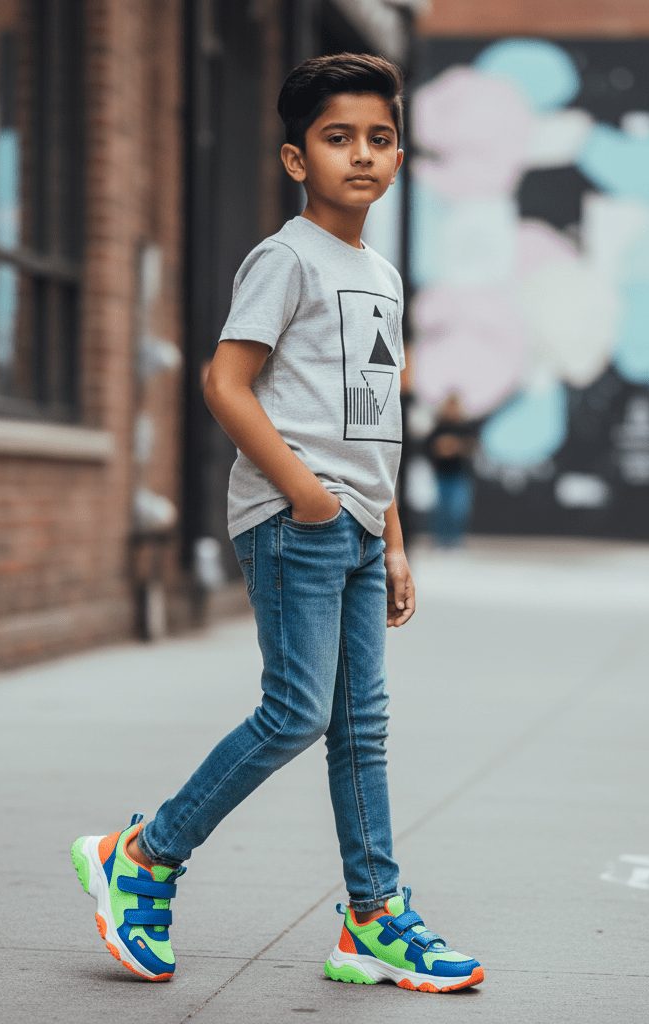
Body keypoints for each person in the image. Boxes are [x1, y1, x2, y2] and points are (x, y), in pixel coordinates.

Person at [70, 54, 484, 992]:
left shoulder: (380, 273)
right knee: (297, 711)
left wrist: (393, 533)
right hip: (294, 518)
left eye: (380, 138)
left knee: (360, 728)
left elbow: (375, 417)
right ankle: (142, 855)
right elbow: (225, 381)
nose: (363, 156)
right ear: (297, 159)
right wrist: (304, 492)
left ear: (400, 154)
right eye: (339, 139)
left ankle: (372, 921)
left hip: (356, 525)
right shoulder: (285, 256)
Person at [424, 392, 478, 548]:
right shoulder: (439, 427)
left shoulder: (465, 427)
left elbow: (473, 446)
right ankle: (440, 540)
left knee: (458, 510)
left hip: (460, 475)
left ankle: (455, 540)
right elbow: (429, 447)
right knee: (441, 509)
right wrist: (440, 448)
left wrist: (455, 446)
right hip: (441, 475)